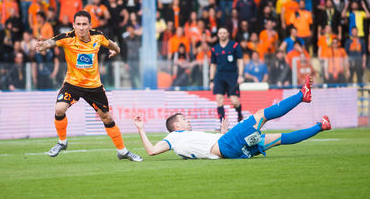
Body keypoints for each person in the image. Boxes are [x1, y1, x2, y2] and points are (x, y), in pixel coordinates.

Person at [134, 76, 331, 159]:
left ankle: (320, 126)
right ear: (176, 125)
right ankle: (301, 96)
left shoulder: (182, 145)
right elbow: (151, 151)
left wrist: (222, 134)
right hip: (227, 145)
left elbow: (204, 149)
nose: (188, 120)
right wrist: (141, 129)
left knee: (277, 139)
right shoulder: (174, 137)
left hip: (231, 149)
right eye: (184, 118)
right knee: (261, 115)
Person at [35, 10, 142, 161]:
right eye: (78, 24)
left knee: (107, 118)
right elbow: (50, 42)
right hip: (72, 84)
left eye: (84, 24)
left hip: (94, 87)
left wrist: (116, 50)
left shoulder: (98, 36)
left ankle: (122, 151)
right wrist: (43, 46)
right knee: (59, 109)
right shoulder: (67, 38)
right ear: (73, 25)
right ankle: (62, 142)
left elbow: (111, 43)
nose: (81, 28)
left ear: (90, 25)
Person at [210, 27, 244, 123]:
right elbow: (213, 65)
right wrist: (211, 80)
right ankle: (222, 123)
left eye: (224, 33)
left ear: (228, 34)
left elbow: (240, 61)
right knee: (219, 99)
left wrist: (240, 75)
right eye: (220, 33)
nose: (222, 35)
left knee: (234, 101)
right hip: (219, 76)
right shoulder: (214, 48)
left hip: (232, 76)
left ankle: (239, 115)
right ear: (218, 35)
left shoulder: (234, 45)